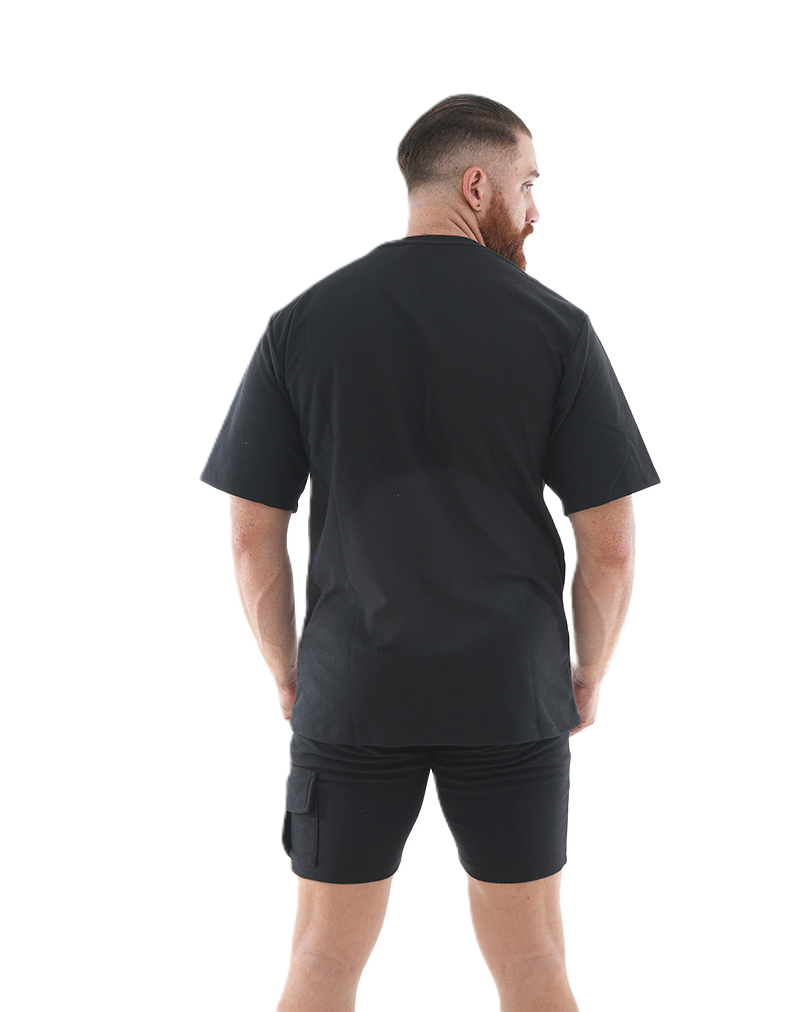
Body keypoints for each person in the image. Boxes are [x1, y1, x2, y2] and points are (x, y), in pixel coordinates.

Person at [200, 93, 660, 1012]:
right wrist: (586, 675)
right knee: (535, 968)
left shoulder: (303, 321)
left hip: (354, 688)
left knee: (319, 966)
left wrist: (292, 674)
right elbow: (609, 546)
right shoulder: (557, 325)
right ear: (476, 184)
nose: (535, 209)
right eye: (528, 185)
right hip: (510, 690)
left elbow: (253, 534)